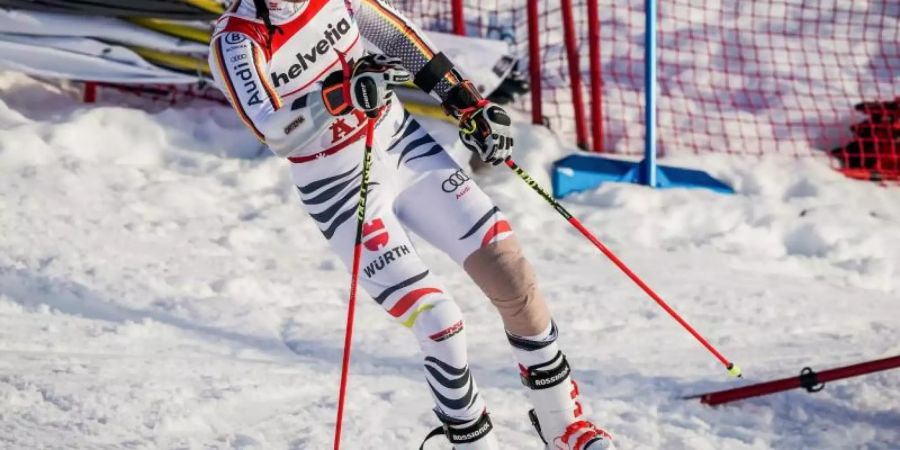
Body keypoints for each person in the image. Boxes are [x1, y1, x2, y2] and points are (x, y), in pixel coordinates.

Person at [208, 1, 613, 448]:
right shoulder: (236, 42)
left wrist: (468, 105)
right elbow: (274, 132)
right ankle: (471, 441)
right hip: (338, 184)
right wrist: (337, 96)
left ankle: (563, 424)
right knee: (439, 320)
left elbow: (401, 39)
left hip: (402, 146)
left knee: (511, 273)